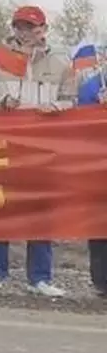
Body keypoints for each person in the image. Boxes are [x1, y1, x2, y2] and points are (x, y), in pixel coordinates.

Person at [0, 5, 73, 298]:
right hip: (4, 146)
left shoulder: (60, 64)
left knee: (40, 212)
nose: (24, 32)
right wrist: (2, 100)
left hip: (43, 149)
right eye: (19, 27)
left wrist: (55, 108)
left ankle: (40, 277)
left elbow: (72, 100)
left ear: (43, 29)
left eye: (30, 27)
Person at [77, 63, 107, 299]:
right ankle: (102, 280)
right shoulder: (92, 86)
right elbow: (78, 123)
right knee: (100, 222)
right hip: (98, 162)